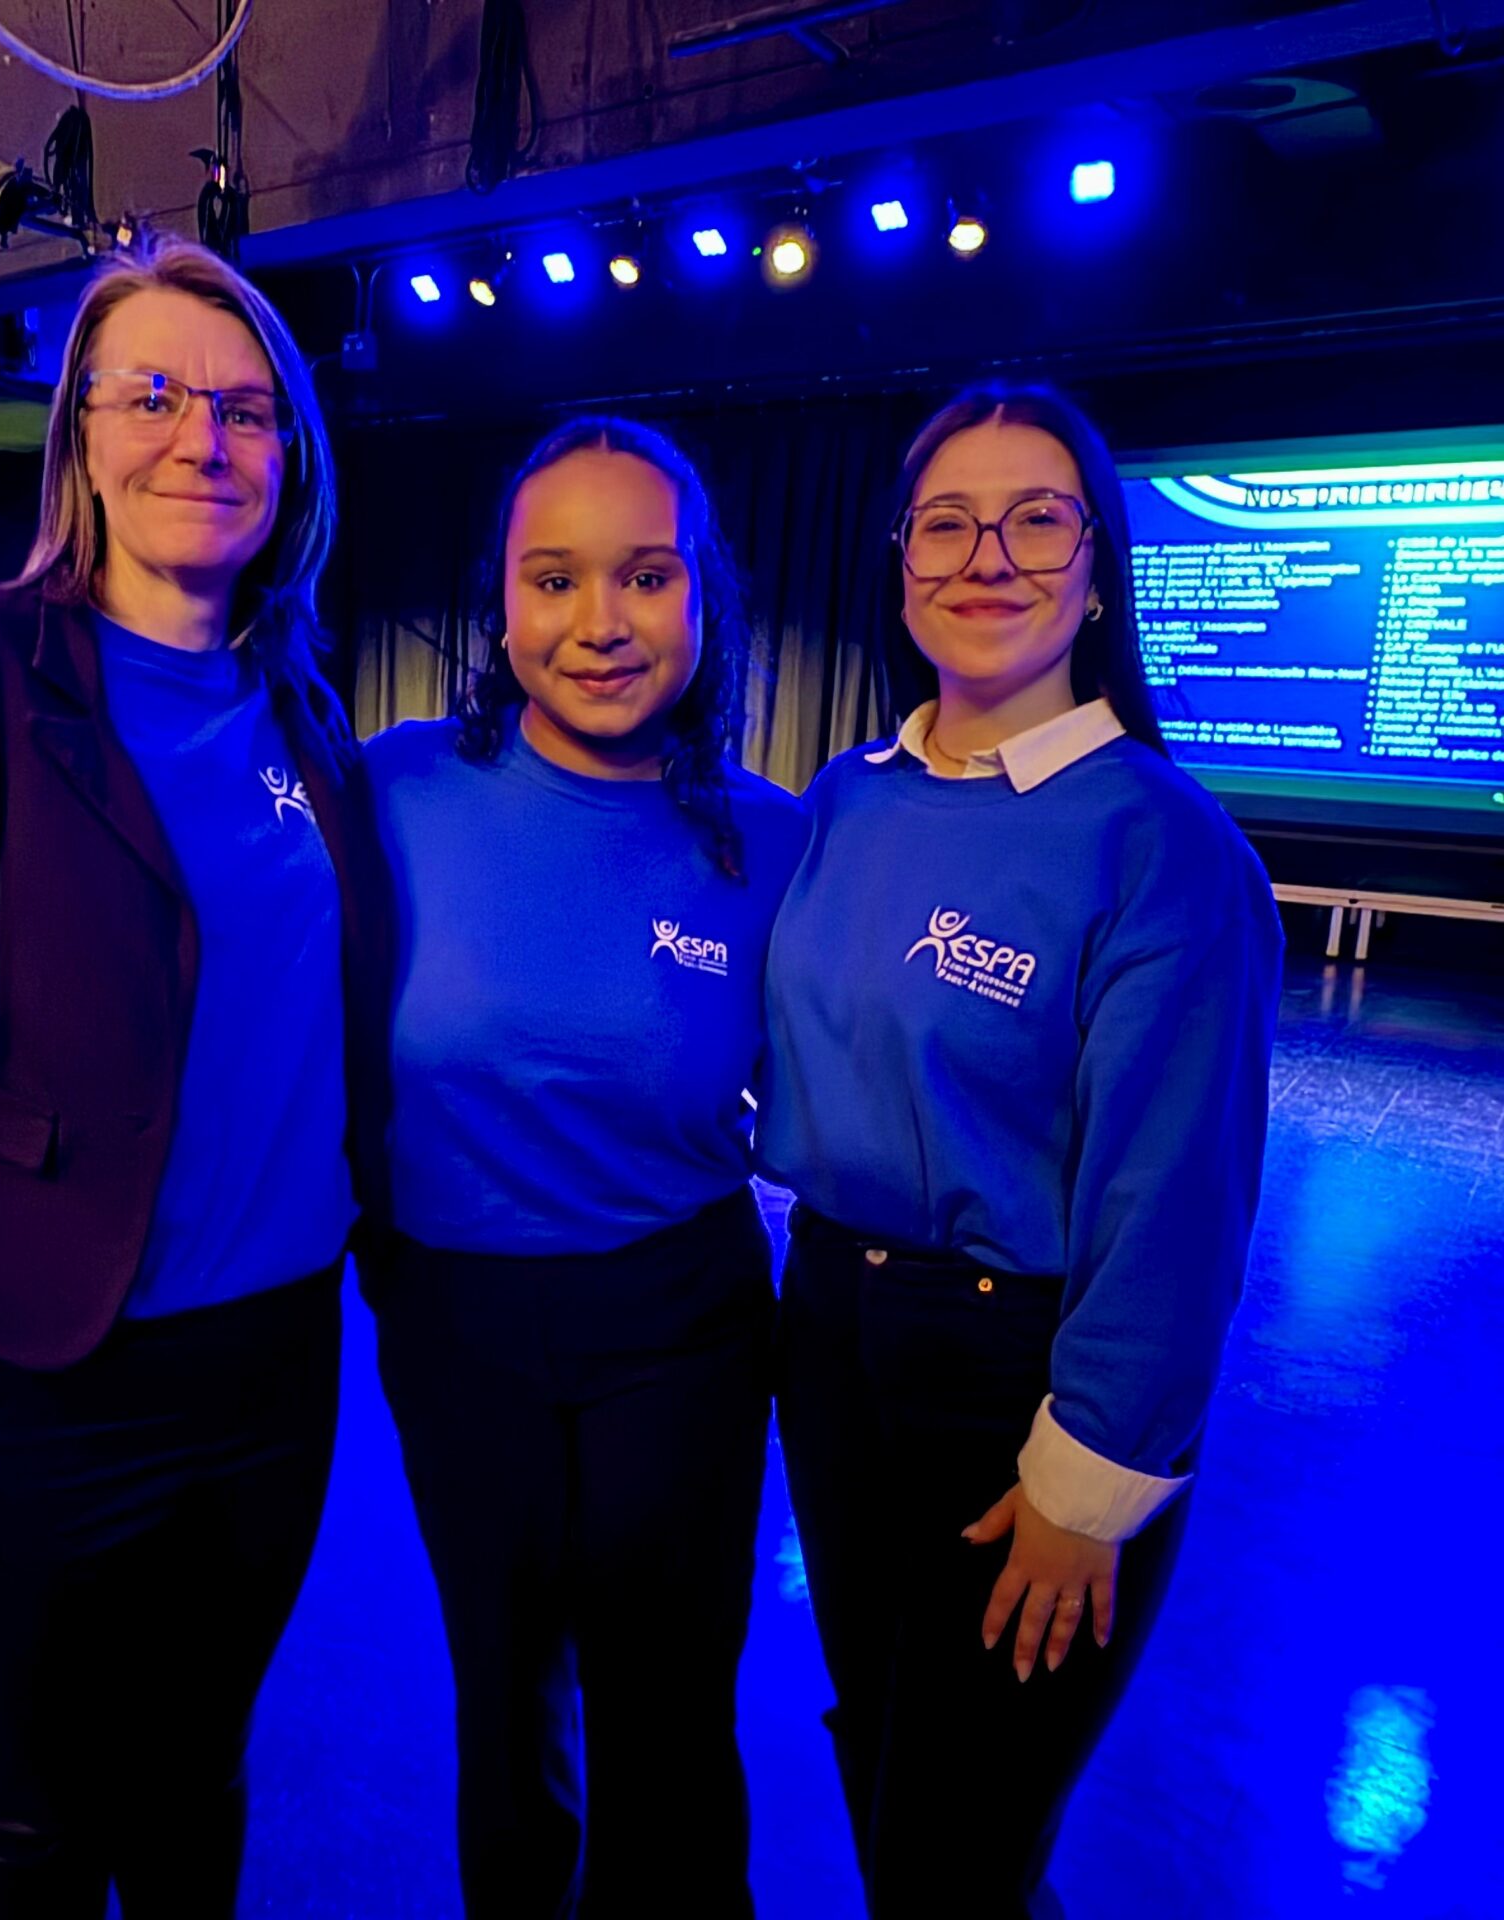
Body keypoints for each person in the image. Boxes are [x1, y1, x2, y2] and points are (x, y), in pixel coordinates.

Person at [0, 236, 389, 1919]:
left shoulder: (301, 708)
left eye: (248, 409)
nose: (203, 439)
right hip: (24, 1373)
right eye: (158, 396)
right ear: (82, 435)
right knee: (39, 1816)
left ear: (293, 453)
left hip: (269, 1372)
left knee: (199, 1781)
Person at [758, 384, 1283, 1918]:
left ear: (1098, 568)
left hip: (1017, 1377)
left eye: (1036, 516)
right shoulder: (849, 799)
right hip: (832, 1328)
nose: (987, 554)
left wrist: (1087, 1482)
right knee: (887, 1755)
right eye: (946, 520)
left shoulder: (1163, 847)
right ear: (900, 560)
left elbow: (1175, 1216)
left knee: (965, 1821)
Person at [363, 417, 808, 1919]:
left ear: (703, 600)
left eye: (645, 577)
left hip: (677, 1321)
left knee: (668, 1716)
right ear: (501, 608)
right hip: (452, 1320)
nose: (598, 625)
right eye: (553, 580)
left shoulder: (776, 844)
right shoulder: (394, 792)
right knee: (503, 1698)